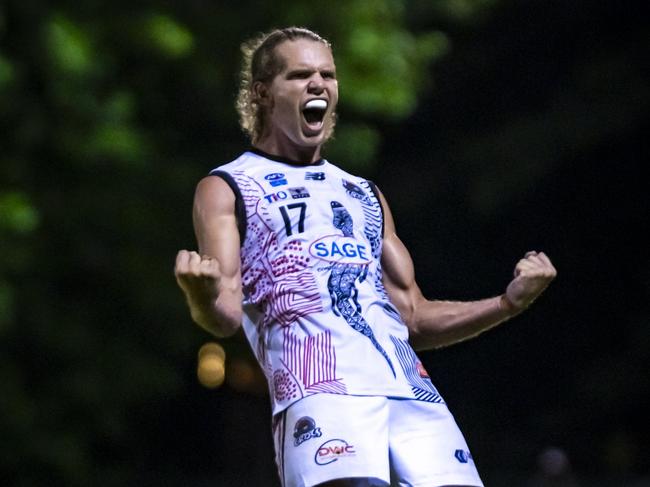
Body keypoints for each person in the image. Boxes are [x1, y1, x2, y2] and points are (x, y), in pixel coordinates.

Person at [174, 26, 557, 487]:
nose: (318, 84)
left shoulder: (363, 194)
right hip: (323, 394)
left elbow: (413, 317)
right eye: (299, 75)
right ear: (261, 93)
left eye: (327, 75)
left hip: (413, 395)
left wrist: (508, 303)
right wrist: (201, 295)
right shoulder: (229, 186)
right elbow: (226, 316)